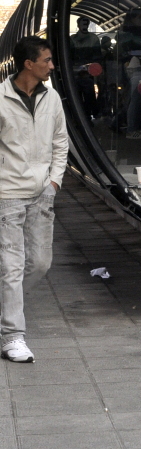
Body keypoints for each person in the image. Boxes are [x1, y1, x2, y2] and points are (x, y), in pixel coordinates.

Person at [0, 37, 69, 363]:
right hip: (7, 195)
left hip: (42, 193)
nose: (52, 65)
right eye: (47, 60)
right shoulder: (0, 98)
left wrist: (54, 182)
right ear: (29, 64)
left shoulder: (51, 97)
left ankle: (6, 309)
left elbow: (60, 142)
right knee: (11, 268)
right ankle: (13, 336)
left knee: (40, 264)